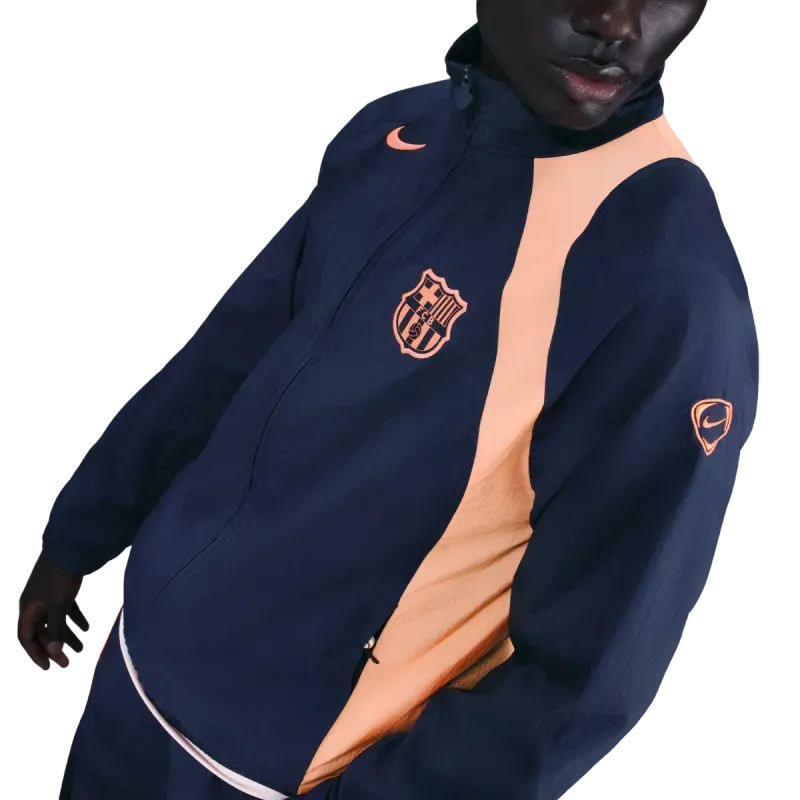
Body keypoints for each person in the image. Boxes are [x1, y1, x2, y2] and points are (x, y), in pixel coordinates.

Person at [18, 2, 761, 798]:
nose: (615, 22)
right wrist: (78, 539)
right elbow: (225, 363)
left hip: (279, 774)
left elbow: (590, 673)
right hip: (135, 674)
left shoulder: (666, 289)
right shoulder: (396, 136)